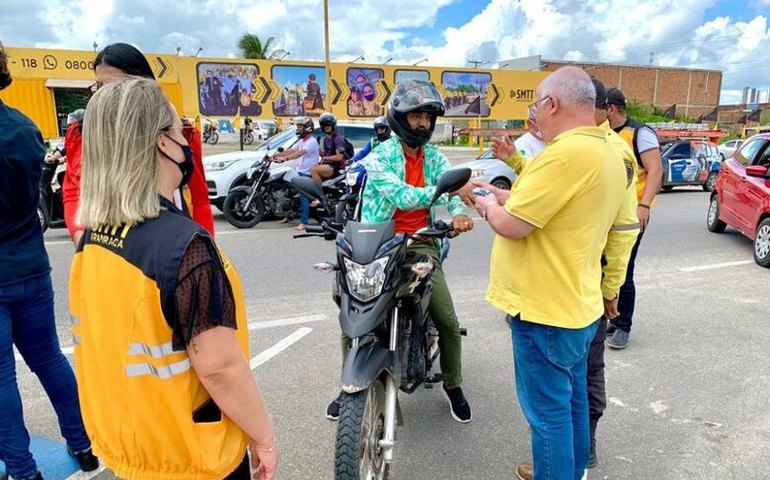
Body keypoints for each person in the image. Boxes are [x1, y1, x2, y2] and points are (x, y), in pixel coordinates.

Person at [71, 77, 278, 480]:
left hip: (130, 451)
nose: (185, 142)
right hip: (191, 458)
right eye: (178, 130)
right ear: (163, 143)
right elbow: (220, 369)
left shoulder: (93, 238)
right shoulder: (185, 248)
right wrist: (264, 436)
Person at [470, 67, 631, 479]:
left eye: (535, 107)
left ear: (553, 103)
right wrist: (505, 195)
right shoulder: (609, 152)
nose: (534, 117)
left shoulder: (563, 154)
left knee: (547, 417)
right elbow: (554, 207)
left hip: (544, 310)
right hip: (578, 305)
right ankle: (574, 471)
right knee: (571, 403)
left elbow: (513, 224)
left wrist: (489, 207)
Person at [326, 79, 475, 423]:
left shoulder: (435, 157)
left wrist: (460, 213)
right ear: (398, 117)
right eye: (415, 116)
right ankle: (349, 384)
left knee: (448, 321)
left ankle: (453, 384)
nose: (422, 123)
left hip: (421, 240)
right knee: (356, 317)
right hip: (379, 241)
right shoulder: (380, 157)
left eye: (427, 117)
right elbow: (403, 196)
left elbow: (451, 193)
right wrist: (441, 192)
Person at [0, 43, 98, 480]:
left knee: (2, 378)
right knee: (49, 359)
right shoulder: (25, 127)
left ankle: (23, 469)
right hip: (31, 264)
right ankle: (84, 443)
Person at [63, 42, 214, 247]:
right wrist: (80, 238)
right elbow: (72, 191)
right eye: (100, 87)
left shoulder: (178, 132)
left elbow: (200, 198)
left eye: (119, 86)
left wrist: (207, 246)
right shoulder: (83, 133)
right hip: (108, 246)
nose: (108, 94)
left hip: (170, 243)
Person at [606, 87, 663, 349]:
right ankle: (609, 314)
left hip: (631, 214)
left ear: (611, 109)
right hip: (606, 214)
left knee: (624, 270)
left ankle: (623, 325)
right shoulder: (605, 135)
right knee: (605, 268)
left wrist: (644, 205)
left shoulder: (640, 133)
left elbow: (655, 170)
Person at [273, 117, 319, 231]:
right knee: (288, 191)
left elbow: (299, 153)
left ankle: (304, 222)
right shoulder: (302, 141)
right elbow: (291, 150)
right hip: (299, 172)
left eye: (300, 127)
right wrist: (274, 156)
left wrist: (285, 159)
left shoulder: (312, 142)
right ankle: (289, 216)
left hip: (307, 174)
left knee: (303, 196)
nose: (298, 129)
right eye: (297, 127)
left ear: (308, 128)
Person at [310, 112, 348, 185]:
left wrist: (325, 157)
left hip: (336, 166)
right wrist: (316, 147)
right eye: (324, 125)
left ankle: (318, 193)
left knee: (313, 170)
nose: (326, 127)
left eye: (328, 125)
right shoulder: (326, 139)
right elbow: (324, 154)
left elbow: (339, 157)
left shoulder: (338, 138)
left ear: (333, 125)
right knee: (310, 170)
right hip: (328, 164)